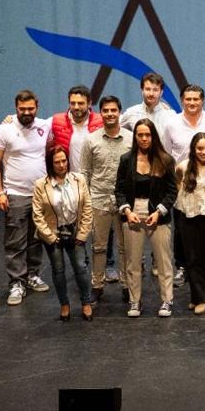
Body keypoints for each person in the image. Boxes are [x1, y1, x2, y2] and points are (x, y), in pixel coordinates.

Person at [0, 88, 52, 304]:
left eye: (30, 108)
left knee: (36, 238)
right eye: (22, 108)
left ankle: (32, 275)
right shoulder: (5, 129)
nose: (26, 112)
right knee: (15, 241)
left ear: (37, 107)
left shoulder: (44, 126)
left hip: (40, 194)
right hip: (15, 194)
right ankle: (16, 282)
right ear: (16, 108)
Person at [161, 84, 205, 287]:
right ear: (182, 101)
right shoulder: (171, 124)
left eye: (196, 99)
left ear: (202, 100)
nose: (192, 102)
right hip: (182, 186)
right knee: (181, 229)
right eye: (188, 99)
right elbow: (167, 156)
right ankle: (182, 267)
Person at [116, 119, 178, 317]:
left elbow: (172, 191)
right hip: (132, 213)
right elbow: (119, 190)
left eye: (147, 135)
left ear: (153, 136)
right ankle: (134, 301)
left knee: (163, 261)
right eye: (140, 135)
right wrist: (127, 211)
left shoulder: (165, 160)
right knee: (133, 262)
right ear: (135, 137)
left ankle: (167, 300)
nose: (144, 138)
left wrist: (159, 212)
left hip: (157, 215)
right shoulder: (126, 160)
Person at [79, 95, 132, 308]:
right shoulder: (91, 140)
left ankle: (127, 286)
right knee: (98, 246)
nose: (110, 114)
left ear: (120, 112)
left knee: (125, 247)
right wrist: (84, 200)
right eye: (106, 110)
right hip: (98, 199)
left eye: (113, 110)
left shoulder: (130, 139)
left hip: (124, 201)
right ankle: (97, 285)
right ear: (100, 113)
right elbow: (84, 172)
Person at [31, 144, 93, 321]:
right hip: (53, 234)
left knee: (81, 267)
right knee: (58, 270)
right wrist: (50, 237)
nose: (61, 165)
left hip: (75, 231)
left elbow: (87, 207)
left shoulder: (79, 179)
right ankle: (64, 304)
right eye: (57, 162)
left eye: (64, 161)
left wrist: (83, 233)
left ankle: (86, 302)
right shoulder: (40, 185)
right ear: (50, 164)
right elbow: (37, 215)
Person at [175, 133, 205, 315]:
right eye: (200, 148)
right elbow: (178, 186)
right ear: (194, 149)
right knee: (191, 259)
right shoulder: (183, 166)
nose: (203, 152)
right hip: (189, 216)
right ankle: (197, 297)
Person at [50, 85, 102, 170]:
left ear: (89, 103)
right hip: (68, 176)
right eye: (73, 103)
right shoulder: (56, 121)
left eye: (80, 103)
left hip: (94, 177)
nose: (76, 107)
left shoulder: (101, 121)